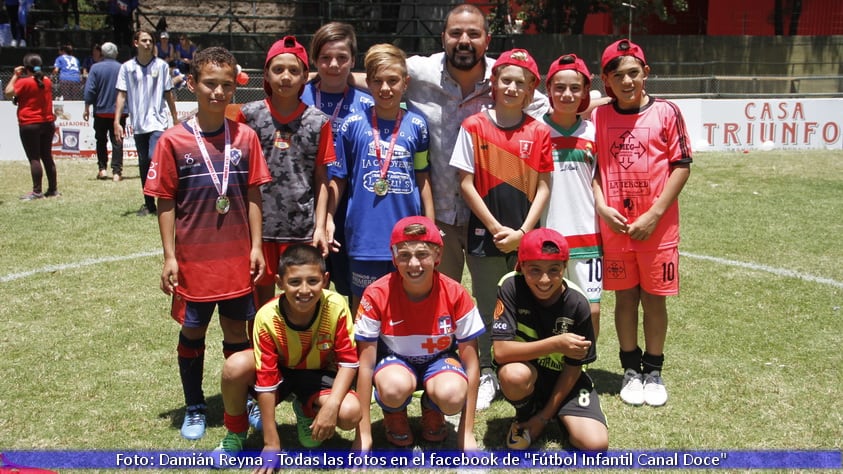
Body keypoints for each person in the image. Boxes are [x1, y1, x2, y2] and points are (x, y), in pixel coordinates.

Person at [402, 3, 548, 410]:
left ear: (487, 38)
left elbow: (547, 103)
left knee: (492, 300)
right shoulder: (419, 71)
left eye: (473, 34)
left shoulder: (506, 77)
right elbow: (374, 75)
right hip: (441, 216)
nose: (463, 41)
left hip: (495, 219)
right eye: (455, 33)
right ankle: (439, 367)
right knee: (437, 297)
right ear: (442, 36)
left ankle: (488, 369)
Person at [143, 46, 272, 441]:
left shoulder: (245, 137)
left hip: (235, 257)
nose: (218, 92)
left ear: (235, 89)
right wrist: (169, 256)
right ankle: (195, 404)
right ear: (193, 85)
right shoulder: (173, 140)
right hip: (194, 259)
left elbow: (252, 195)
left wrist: (255, 247)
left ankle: (242, 400)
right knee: (193, 332)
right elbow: (165, 200)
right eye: (210, 84)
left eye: (226, 85)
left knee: (237, 332)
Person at [448, 48, 552, 409]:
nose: (511, 87)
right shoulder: (474, 126)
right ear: (493, 83)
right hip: (486, 235)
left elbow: (543, 187)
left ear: (530, 90)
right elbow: (465, 183)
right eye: (505, 80)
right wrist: (495, 228)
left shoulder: (538, 131)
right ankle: (489, 369)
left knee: (530, 301)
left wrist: (523, 232)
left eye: (519, 83)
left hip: (527, 238)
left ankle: (527, 368)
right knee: (489, 304)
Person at [591, 39, 692, 407]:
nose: (627, 81)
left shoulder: (667, 112)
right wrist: (602, 206)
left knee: (654, 300)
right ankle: (630, 370)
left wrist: (653, 214)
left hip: (657, 228)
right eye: (618, 76)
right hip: (616, 227)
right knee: (625, 297)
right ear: (607, 80)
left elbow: (682, 166)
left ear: (646, 74)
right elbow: (595, 168)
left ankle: (654, 370)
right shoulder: (599, 117)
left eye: (634, 73)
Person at [212, 244, 360, 462]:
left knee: (350, 413)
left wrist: (331, 406)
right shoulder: (267, 316)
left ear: (325, 279)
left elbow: (348, 362)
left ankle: (306, 408)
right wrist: (271, 443)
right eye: (294, 282)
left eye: (313, 281)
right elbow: (266, 381)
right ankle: (236, 433)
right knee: (235, 366)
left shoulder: (335, 306)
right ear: (280, 283)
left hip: (317, 375)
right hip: (281, 373)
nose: (304, 290)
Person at [354, 216, 484, 451]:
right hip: (395, 364)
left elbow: (472, 364)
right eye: (404, 255)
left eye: (422, 254)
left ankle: (432, 407)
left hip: (439, 360)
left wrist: (466, 434)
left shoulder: (456, 293)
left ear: (438, 256)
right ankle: (394, 412)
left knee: (453, 395)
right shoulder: (376, 294)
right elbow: (365, 365)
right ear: (394, 258)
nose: (414, 264)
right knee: (393, 387)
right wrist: (363, 436)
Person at [330, 43, 432, 313]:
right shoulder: (353, 124)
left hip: (408, 237)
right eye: (377, 81)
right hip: (365, 238)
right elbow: (338, 178)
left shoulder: (418, 125)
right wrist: (327, 218)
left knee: (406, 307)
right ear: (369, 83)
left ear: (405, 83)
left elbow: (422, 178)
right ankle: (364, 356)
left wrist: (430, 228)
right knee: (363, 309)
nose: (385, 88)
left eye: (393, 81)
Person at [235, 35, 335, 308]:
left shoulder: (318, 121)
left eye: (293, 70)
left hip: (300, 229)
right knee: (258, 306)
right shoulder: (249, 115)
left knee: (299, 305)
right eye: (278, 69)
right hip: (258, 230)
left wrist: (319, 225)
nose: (286, 77)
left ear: (305, 75)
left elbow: (321, 177)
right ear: (266, 73)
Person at [492, 228, 608, 451]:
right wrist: (556, 344)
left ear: (565, 267)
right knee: (514, 375)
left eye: (554, 270)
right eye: (534, 270)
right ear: (521, 265)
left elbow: (574, 367)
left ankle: (549, 415)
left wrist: (544, 419)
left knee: (595, 445)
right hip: (527, 373)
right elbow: (501, 351)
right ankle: (525, 415)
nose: (544, 279)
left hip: (565, 378)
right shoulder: (510, 286)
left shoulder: (578, 303)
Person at [302, 21, 374, 301]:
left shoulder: (368, 104)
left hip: (351, 208)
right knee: (309, 283)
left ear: (353, 60)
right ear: (314, 60)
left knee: (353, 287)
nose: (333, 64)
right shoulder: (298, 97)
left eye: (342, 58)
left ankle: (353, 344)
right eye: (325, 57)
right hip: (306, 203)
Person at [542, 54, 603, 338]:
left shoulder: (594, 132)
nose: (567, 94)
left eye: (575, 88)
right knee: (547, 306)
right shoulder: (535, 129)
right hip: (545, 235)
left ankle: (582, 369)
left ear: (585, 92)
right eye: (560, 88)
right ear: (548, 90)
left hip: (587, 233)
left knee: (590, 310)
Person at [114, 29, 179, 217]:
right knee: (143, 162)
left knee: (152, 158)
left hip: (157, 122)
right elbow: (121, 94)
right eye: (144, 40)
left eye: (150, 40)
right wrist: (117, 121)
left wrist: (174, 118)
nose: (148, 43)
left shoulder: (162, 66)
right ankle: (149, 204)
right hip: (138, 124)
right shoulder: (126, 68)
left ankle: (168, 197)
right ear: (136, 43)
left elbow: (168, 94)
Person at [4, 53, 58, 200]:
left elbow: (8, 92)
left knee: (34, 158)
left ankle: (37, 191)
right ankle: (53, 190)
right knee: (47, 156)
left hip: (29, 123)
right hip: (47, 123)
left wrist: (15, 75)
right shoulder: (46, 81)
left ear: (26, 68)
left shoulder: (24, 82)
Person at [83, 42, 126, 181]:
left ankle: (102, 169)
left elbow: (90, 90)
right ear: (116, 53)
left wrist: (87, 106)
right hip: (119, 113)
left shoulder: (95, 68)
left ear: (102, 53)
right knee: (117, 141)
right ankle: (117, 172)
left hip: (101, 111)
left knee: (100, 140)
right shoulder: (122, 68)